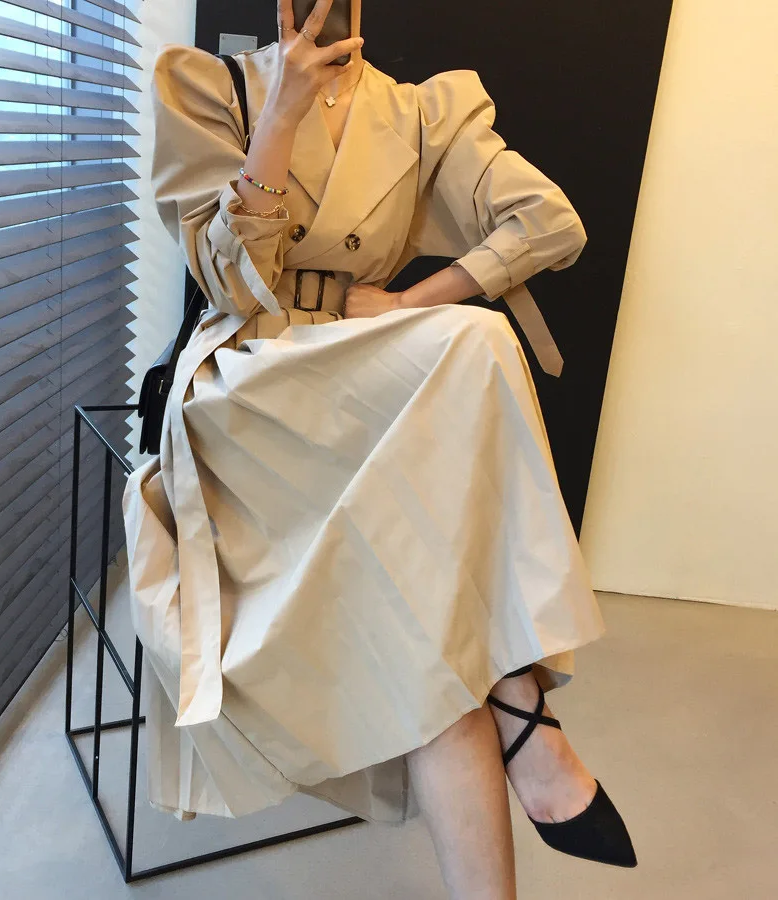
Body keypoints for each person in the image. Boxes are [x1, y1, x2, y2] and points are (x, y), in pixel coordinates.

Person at [123, 1, 636, 896]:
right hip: (251, 380)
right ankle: (525, 712)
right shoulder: (211, 89)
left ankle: (515, 718)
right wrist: (280, 112)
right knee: (476, 346)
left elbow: (549, 222)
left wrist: (405, 303)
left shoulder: (424, 113)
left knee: (437, 634)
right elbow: (226, 282)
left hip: (369, 371)